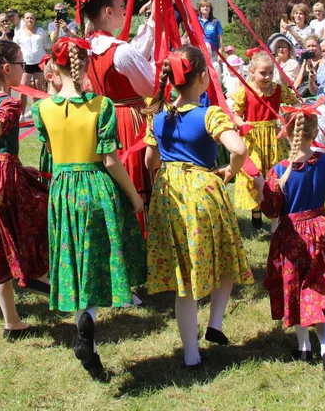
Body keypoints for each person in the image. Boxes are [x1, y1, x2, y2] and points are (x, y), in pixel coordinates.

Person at [32, 36, 146, 382]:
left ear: (55, 66)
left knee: (74, 260)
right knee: (97, 260)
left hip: (63, 190)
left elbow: (51, 150)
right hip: (95, 186)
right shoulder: (102, 105)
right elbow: (111, 160)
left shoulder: (42, 109)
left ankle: (86, 332)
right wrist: (134, 196)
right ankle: (88, 323)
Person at [143, 45, 253, 368]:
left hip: (169, 195)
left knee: (184, 280)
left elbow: (150, 161)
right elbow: (239, 147)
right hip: (203, 193)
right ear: (204, 77)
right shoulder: (210, 114)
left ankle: (191, 355)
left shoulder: (159, 116)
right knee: (227, 260)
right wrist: (231, 170)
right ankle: (215, 324)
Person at [256, 108, 325, 371]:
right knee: (320, 288)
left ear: (286, 133)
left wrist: (259, 189)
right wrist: (321, 191)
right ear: (315, 132)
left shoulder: (279, 171)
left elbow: (271, 210)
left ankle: (303, 347)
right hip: (324, 231)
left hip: (292, 237)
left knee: (296, 288)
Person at [0, 40, 50, 339]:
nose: (24, 70)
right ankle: (41, 279)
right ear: (6, 69)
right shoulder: (9, 104)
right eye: (21, 65)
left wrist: (14, 166)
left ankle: (12, 321)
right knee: (38, 217)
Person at [76, 0, 157, 212]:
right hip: (128, 119)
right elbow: (150, 87)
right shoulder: (119, 50)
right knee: (134, 170)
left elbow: (134, 54)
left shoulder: (88, 46)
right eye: (122, 6)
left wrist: (151, 27)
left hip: (101, 115)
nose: (125, 10)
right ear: (109, 11)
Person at [230, 50, 299, 227]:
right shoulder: (246, 91)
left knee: (274, 175)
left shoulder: (278, 90)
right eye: (263, 73)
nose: (267, 77)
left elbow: (296, 103)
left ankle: (277, 211)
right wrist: (242, 124)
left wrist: (288, 123)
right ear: (252, 72)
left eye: (270, 73)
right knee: (254, 174)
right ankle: (256, 212)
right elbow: (236, 115)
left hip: (272, 138)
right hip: (253, 140)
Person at [13, 11, 48, 93]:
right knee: (23, 90)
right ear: (24, 20)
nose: (29, 20)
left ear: (35, 20)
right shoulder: (19, 33)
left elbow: (47, 46)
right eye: (27, 18)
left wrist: (48, 61)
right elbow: (15, 48)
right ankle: (23, 106)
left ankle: (39, 105)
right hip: (25, 63)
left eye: (31, 18)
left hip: (39, 63)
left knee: (40, 89)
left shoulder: (41, 31)